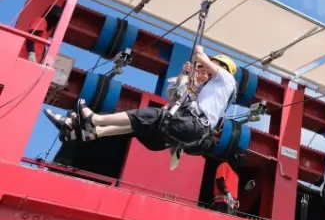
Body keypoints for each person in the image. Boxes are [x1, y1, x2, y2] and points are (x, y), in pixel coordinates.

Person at [44, 46, 236, 163]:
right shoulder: (206, 92)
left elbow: (201, 64)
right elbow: (176, 97)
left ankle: (95, 119)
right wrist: (184, 77)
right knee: (138, 124)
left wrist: (200, 53)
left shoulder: (225, 81)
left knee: (152, 115)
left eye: (209, 70)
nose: (205, 73)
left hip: (188, 128)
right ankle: (86, 131)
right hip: (171, 134)